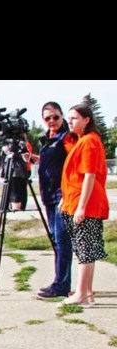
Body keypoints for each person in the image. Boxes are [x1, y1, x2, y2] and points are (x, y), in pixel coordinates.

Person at [60, 104, 108, 306]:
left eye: (75, 118)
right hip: (75, 200)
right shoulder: (82, 140)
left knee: (85, 248)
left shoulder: (89, 141)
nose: (70, 122)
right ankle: (87, 292)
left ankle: (80, 293)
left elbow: (89, 175)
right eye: (69, 118)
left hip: (85, 203)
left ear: (86, 119)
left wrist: (81, 206)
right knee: (83, 248)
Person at [34, 102, 73, 300]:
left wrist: (67, 194)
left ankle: (62, 285)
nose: (52, 121)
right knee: (56, 240)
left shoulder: (67, 137)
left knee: (62, 240)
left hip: (61, 196)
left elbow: (73, 165)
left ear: (62, 116)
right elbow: (53, 162)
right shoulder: (47, 138)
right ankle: (60, 281)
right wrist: (34, 158)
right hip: (48, 195)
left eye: (55, 117)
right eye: (47, 118)